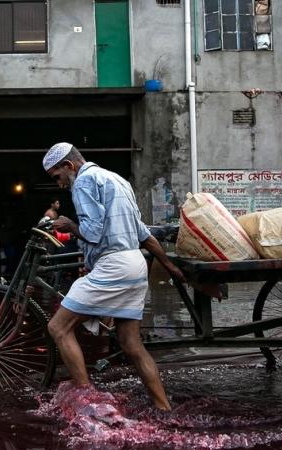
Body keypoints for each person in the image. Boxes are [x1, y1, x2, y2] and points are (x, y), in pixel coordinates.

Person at [41, 142, 185, 411]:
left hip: (114, 266)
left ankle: (88, 400)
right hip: (134, 263)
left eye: (57, 177)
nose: (60, 184)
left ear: (69, 166)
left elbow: (92, 233)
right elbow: (143, 233)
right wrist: (169, 265)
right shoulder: (117, 180)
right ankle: (163, 406)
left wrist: (70, 225)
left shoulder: (84, 182)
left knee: (57, 327)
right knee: (132, 344)